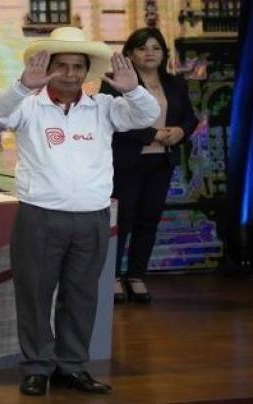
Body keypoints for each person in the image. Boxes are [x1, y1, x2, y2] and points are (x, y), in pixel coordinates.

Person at [0, 27, 160, 396]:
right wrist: (21, 85)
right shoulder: (28, 106)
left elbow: (148, 116)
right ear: (46, 68)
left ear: (87, 71)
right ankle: (36, 368)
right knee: (34, 296)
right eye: (60, 66)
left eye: (76, 67)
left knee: (81, 296)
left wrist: (131, 89)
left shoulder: (105, 107)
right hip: (39, 215)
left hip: (92, 217)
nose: (69, 73)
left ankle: (72, 366)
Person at [100, 28, 198, 304]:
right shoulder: (114, 82)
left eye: (156, 48)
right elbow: (110, 120)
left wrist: (180, 131)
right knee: (124, 220)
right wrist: (151, 134)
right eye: (143, 48)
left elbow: (190, 117)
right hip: (128, 162)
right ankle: (113, 277)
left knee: (149, 220)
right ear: (130, 53)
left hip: (161, 161)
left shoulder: (175, 83)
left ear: (164, 53)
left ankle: (136, 275)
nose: (150, 53)